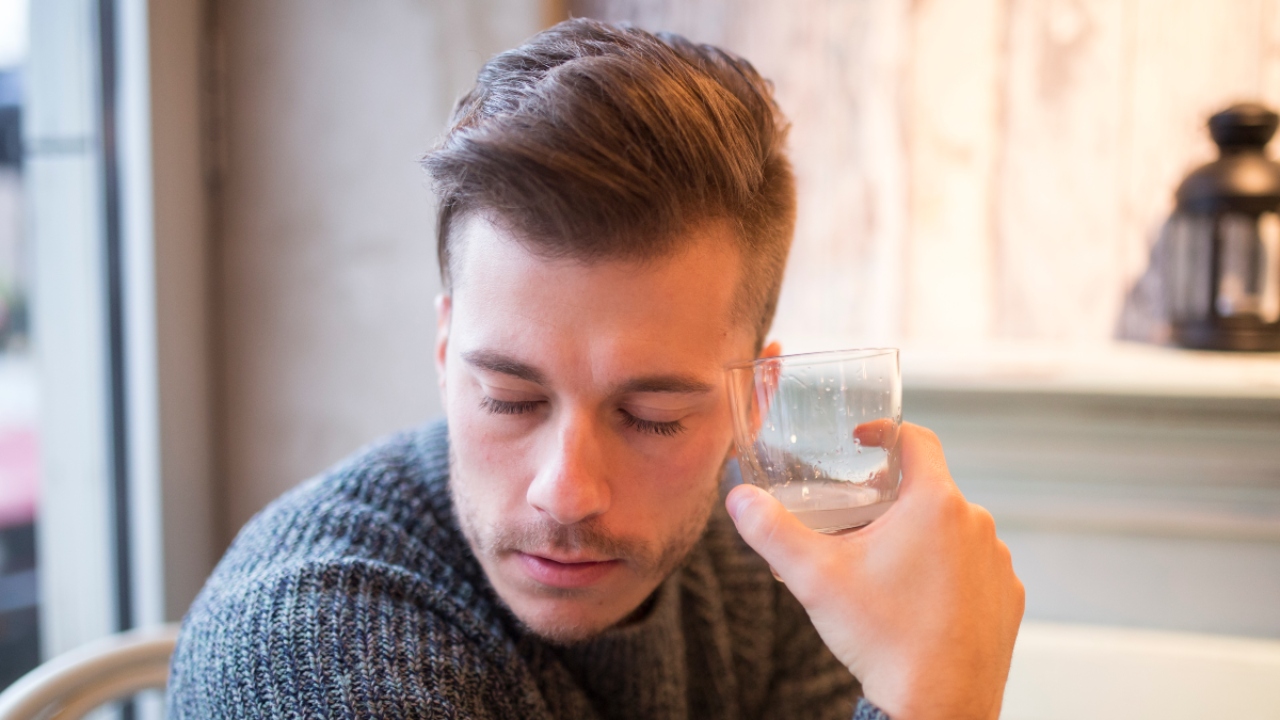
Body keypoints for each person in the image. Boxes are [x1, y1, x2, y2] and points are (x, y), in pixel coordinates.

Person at [167, 18, 1023, 720]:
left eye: (652, 417)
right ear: (443, 352)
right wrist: (939, 696)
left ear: (752, 403)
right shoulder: (310, 642)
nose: (565, 492)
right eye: (509, 399)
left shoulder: (770, 573)